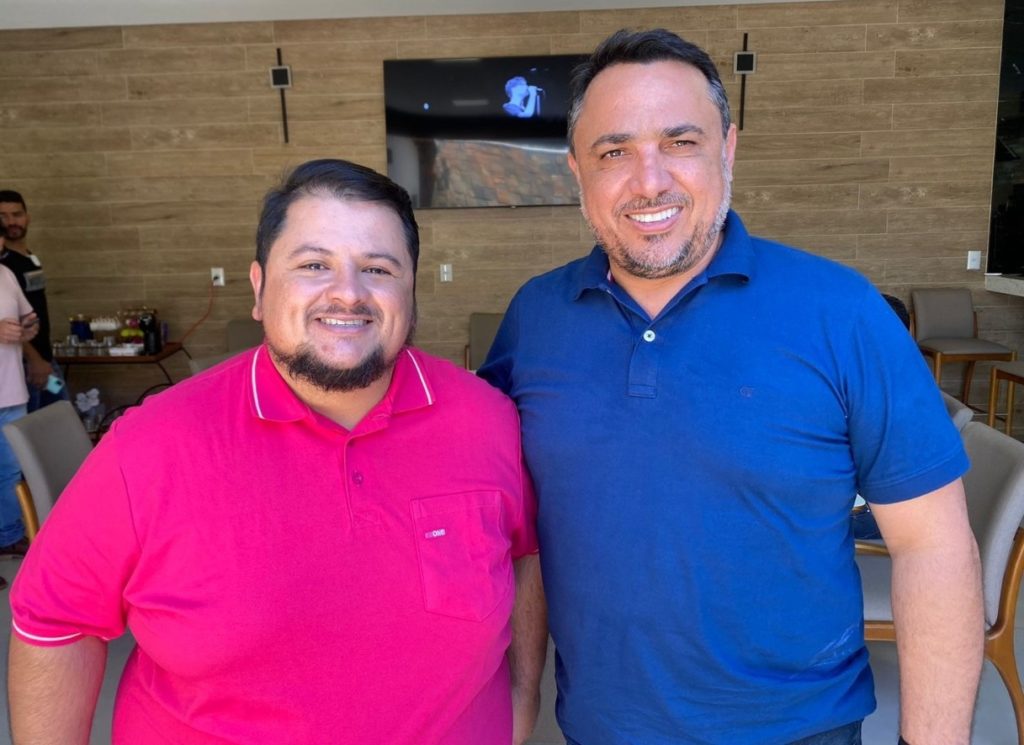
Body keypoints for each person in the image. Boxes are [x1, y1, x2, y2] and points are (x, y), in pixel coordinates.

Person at [480, 28, 983, 745]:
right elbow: (498, 519)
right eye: (614, 152)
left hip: (800, 731)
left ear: (728, 149)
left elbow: (932, 545)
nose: (649, 180)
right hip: (598, 728)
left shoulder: (841, 311)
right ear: (576, 172)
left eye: (680, 142)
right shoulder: (536, 317)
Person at [9, 159, 546, 744]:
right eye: (314, 265)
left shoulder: (487, 420)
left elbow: (524, 556)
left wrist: (522, 700)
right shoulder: (152, 444)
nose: (348, 292)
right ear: (260, 288)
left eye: (378, 268)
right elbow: (55, 623)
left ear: (411, 292)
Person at [0, 190, 66, 412]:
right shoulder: (5, 265)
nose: (11, 222)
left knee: (59, 413)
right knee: (39, 423)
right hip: (27, 364)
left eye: (16, 214)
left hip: (44, 358)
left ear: (27, 217)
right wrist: (34, 359)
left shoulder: (28, 257)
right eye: (3, 216)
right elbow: (10, 321)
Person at [0, 223, 39, 563]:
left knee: (12, 471)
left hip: (11, 391)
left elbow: (27, 317)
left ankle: (9, 535)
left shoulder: (6, 275)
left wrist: (28, 328)